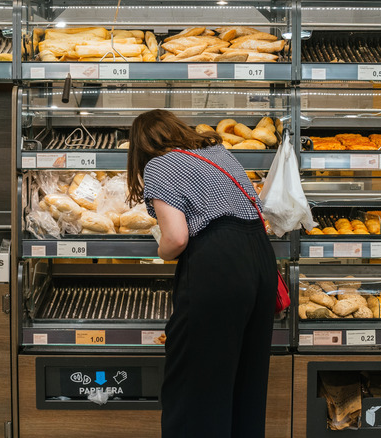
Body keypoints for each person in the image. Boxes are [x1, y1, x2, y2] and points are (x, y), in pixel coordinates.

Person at [126, 109, 277, 437]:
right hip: (260, 258)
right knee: (245, 382)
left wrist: (161, 251)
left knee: (196, 385)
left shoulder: (159, 165)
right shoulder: (218, 153)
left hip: (218, 265)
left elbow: (176, 238)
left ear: (141, 146)